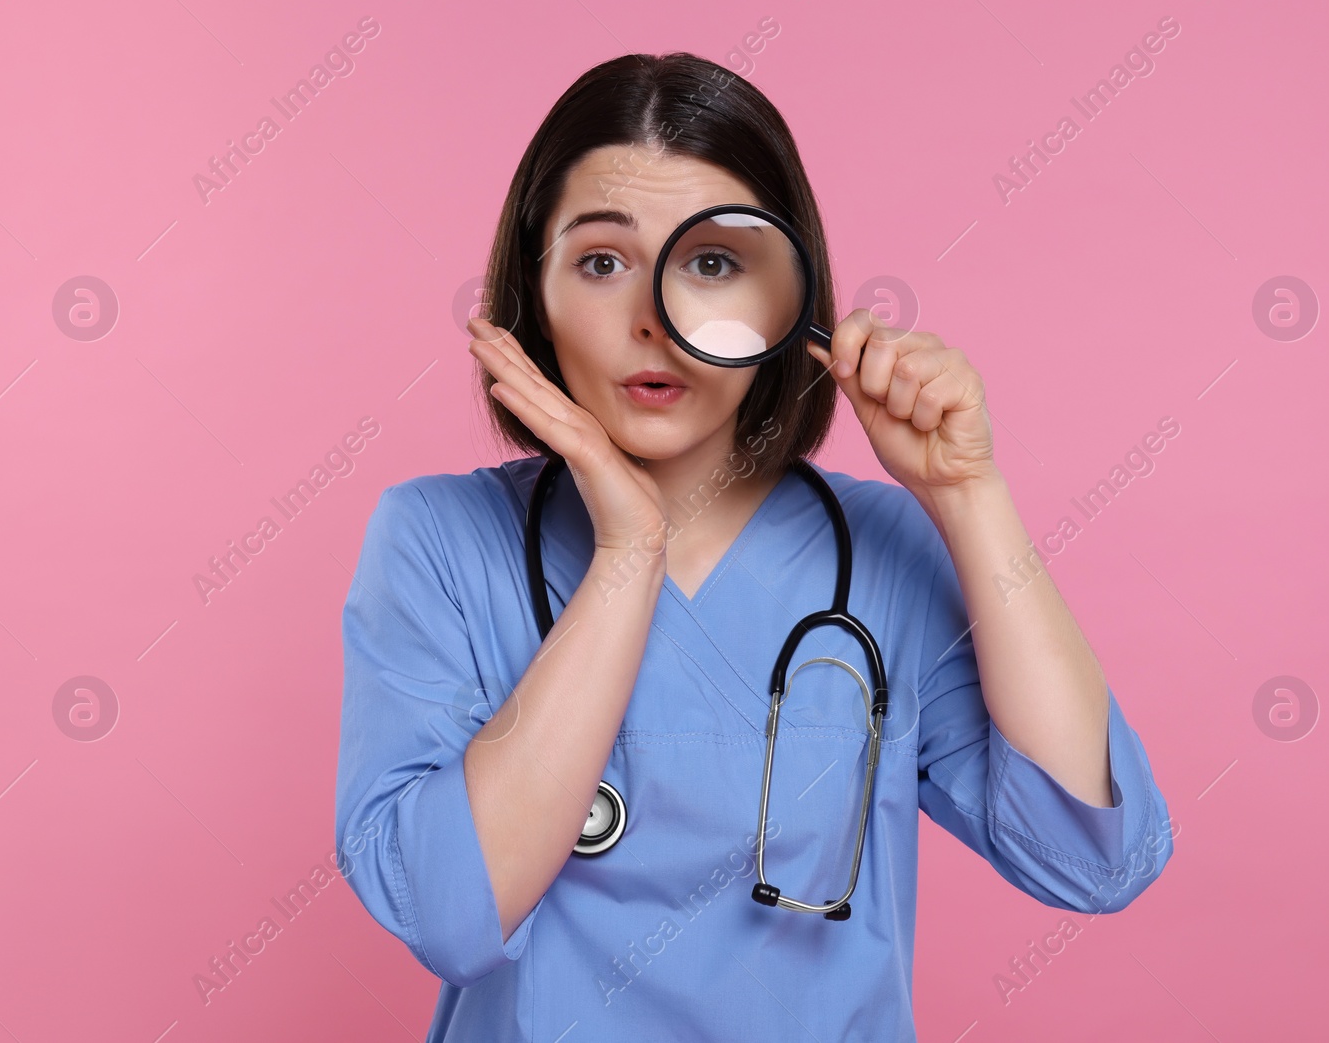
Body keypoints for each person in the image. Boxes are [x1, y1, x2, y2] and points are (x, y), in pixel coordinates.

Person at [335, 51, 1173, 1041]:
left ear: (784, 298)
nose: (652, 321)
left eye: (712, 263)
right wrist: (627, 553)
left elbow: (1091, 856)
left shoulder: (881, 551)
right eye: (601, 263)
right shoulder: (438, 541)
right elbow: (446, 913)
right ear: (533, 290)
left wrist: (967, 493)